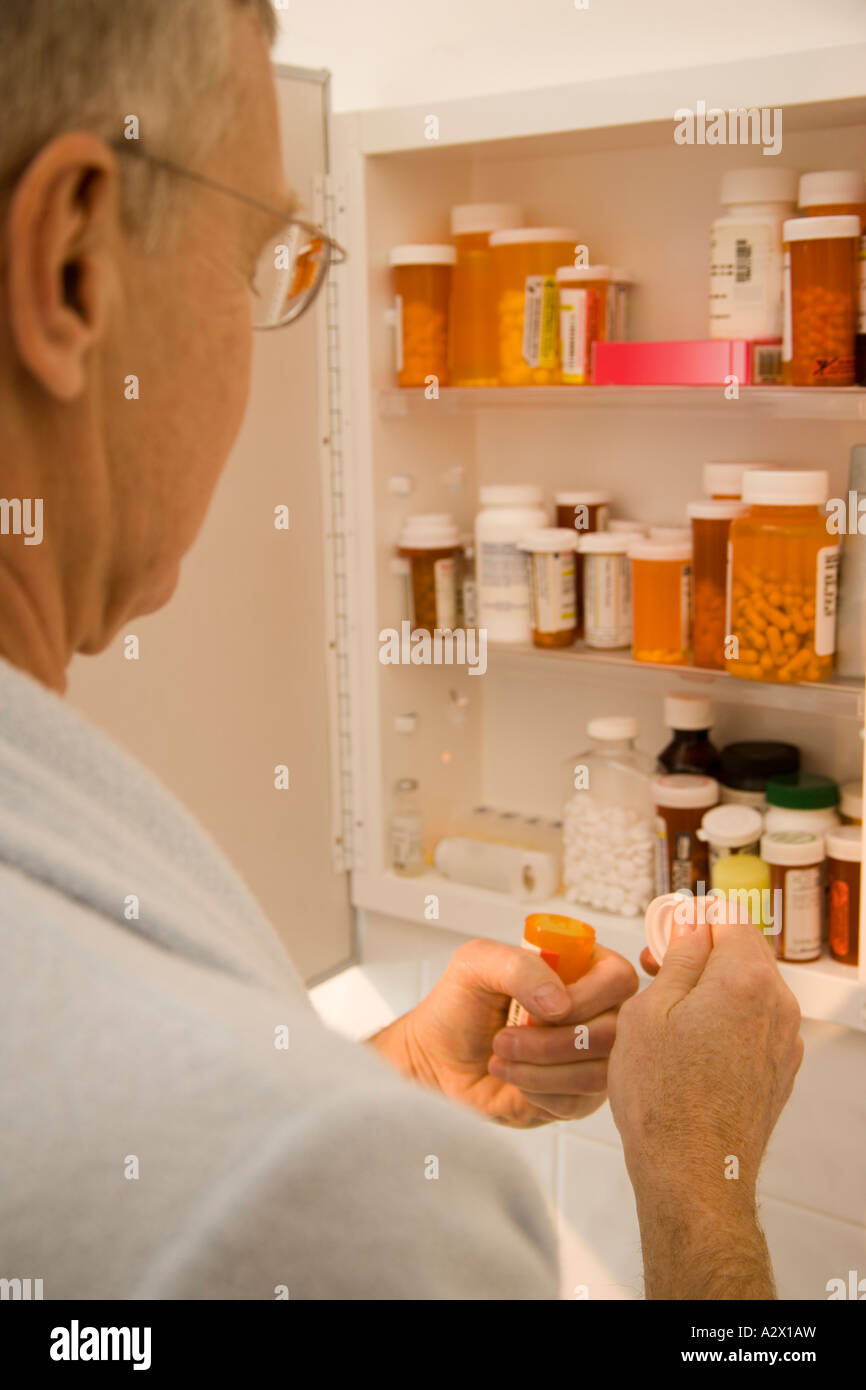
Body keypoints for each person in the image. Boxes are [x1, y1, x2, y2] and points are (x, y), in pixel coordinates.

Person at [0, 0, 802, 1300]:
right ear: (74, 265)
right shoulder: (305, 1186)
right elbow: (241, 1181)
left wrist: (391, 1082)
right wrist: (698, 1176)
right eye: (261, 258)